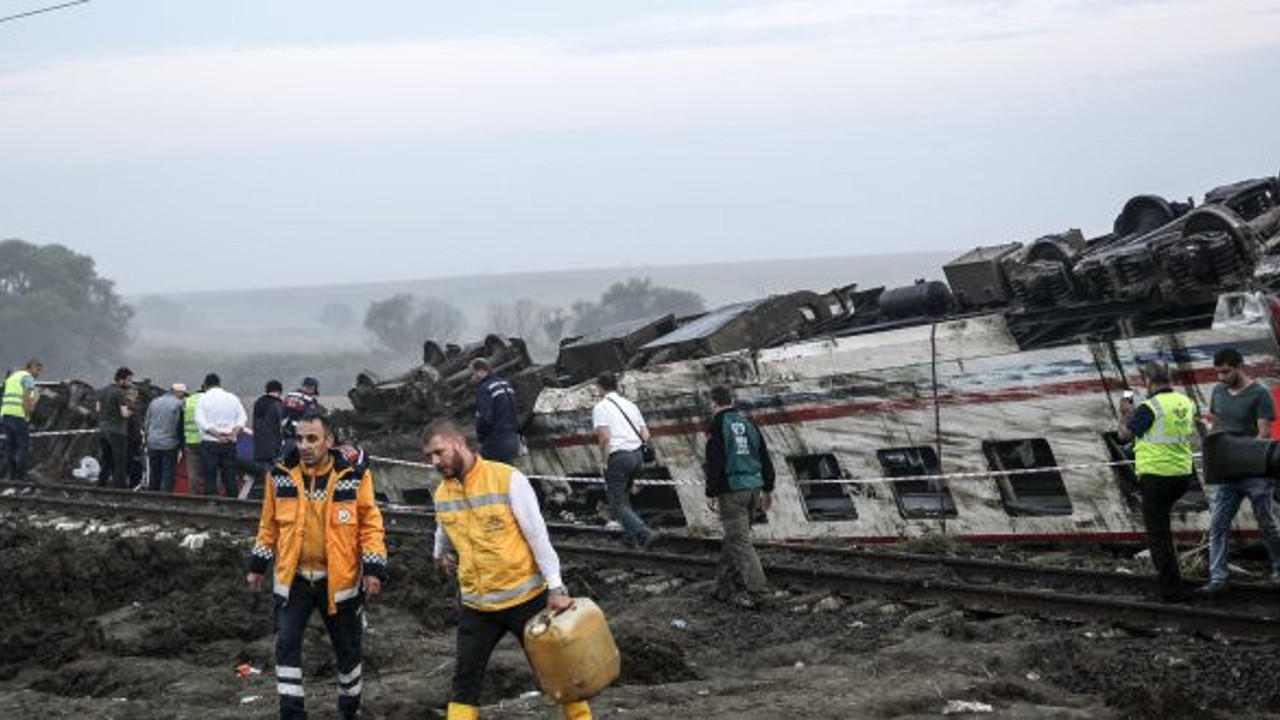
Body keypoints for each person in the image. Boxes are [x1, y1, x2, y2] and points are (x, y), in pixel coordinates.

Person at [424, 419, 591, 720]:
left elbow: (537, 536)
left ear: (459, 443)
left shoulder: (507, 479)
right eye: (430, 457)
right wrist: (439, 555)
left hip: (526, 600)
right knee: (464, 682)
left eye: (439, 452)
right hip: (477, 605)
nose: (435, 462)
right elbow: (442, 528)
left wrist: (556, 587)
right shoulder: (442, 493)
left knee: (557, 673)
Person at [247, 412, 388, 720]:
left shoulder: (354, 475)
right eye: (299, 439)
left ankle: (349, 711)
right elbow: (268, 525)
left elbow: (370, 524)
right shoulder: (279, 474)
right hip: (293, 578)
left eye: (312, 439)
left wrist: (374, 569)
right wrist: (257, 564)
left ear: (329, 441)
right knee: (286, 645)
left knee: (348, 651)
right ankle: (292, 713)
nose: (304, 445)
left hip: (340, 582)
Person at [1198, 348, 1280, 595]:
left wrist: (1247, 458)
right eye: (1218, 372)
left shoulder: (1260, 393)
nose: (1221, 377)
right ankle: (1218, 578)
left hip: (1254, 469)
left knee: (1267, 524)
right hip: (1226, 470)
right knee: (1218, 525)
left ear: (1238, 366)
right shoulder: (1218, 392)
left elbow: (1264, 433)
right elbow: (1218, 424)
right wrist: (1207, 429)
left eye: (1226, 372)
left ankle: (1278, 567)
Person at [1117, 360, 1198, 603]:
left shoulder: (1149, 407)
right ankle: (1174, 582)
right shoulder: (1187, 402)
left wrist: (1125, 413)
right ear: (1170, 380)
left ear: (1148, 382)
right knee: (1163, 530)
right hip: (1183, 476)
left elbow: (1124, 436)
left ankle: (1171, 591)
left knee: (1158, 534)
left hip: (1156, 477)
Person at [704, 385, 775, 608]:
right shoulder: (748, 422)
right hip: (754, 487)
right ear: (731, 400)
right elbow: (763, 455)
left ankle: (759, 593)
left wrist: (711, 491)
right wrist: (768, 488)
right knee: (734, 538)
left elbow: (715, 460)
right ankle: (722, 586)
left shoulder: (717, 425)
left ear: (714, 402)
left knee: (741, 542)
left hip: (732, 490)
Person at [592, 372, 655, 549]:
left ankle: (644, 532)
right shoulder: (630, 405)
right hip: (637, 456)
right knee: (624, 497)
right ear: (616, 385)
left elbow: (604, 438)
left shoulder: (601, 407)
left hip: (619, 457)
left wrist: (604, 462)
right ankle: (631, 538)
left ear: (599, 387)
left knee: (616, 502)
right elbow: (646, 435)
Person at [195, 373, 246, 497]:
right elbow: (242, 418)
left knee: (210, 476)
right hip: (229, 443)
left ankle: (211, 504)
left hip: (210, 443)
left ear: (206, 385)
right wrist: (232, 434)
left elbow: (200, 421)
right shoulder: (232, 397)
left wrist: (218, 435)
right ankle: (232, 503)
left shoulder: (203, 398)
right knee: (230, 476)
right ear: (219, 383)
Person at [471, 358, 520, 463]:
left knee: (479, 469)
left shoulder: (484, 388)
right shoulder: (505, 384)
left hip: (496, 441)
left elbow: (485, 418)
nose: (472, 378)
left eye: (473, 373)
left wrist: (480, 434)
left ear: (481, 371)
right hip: (513, 439)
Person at [2, 359, 43, 480]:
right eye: (37, 369)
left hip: (6, 415)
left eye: (40, 370)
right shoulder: (28, 378)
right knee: (24, 446)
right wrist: (27, 415)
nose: (39, 373)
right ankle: (20, 476)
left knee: (11, 446)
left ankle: (12, 476)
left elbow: (2, 392)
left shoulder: (12, 377)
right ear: (29, 368)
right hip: (18, 415)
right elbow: (27, 398)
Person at [143, 383, 186, 493]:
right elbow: (178, 425)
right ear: (178, 392)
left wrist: (147, 438)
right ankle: (165, 498)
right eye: (183, 394)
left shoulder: (154, 402)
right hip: (169, 443)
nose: (183, 396)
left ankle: (152, 495)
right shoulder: (178, 404)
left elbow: (147, 422)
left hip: (152, 442)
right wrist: (180, 442)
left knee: (154, 472)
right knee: (168, 472)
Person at [97, 367, 134, 489]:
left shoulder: (103, 391)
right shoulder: (120, 393)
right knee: (120, 461)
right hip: (117, 431)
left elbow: (97, 409)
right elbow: (123, 413)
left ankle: (101, 484)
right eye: (128, 380)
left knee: (106, 460)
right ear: (121, 380)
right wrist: (130, 412)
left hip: (103, 430)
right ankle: (120, 488)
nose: (130, 383)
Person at [280, 376, 323, 459]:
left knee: (286, 457)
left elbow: (282, 413)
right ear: (312, 388)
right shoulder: (309, 400)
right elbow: (311, 417)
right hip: (301, 434)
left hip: (286, 432)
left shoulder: (289, 396)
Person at [253, 380, 285, 482]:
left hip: (259, 446)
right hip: (274, 446)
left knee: (261, 474)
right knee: (273, 476)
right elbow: (282, 425)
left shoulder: (258, 403)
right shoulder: (277, 404)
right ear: (279, 391)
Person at [182, 382, 205, 495]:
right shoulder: (209, 400)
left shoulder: (188, 400)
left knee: (193, 472)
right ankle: (211, 496)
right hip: (205, 440)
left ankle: (194, 496)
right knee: (211, 470)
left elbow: (180, 422)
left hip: (190, 440)